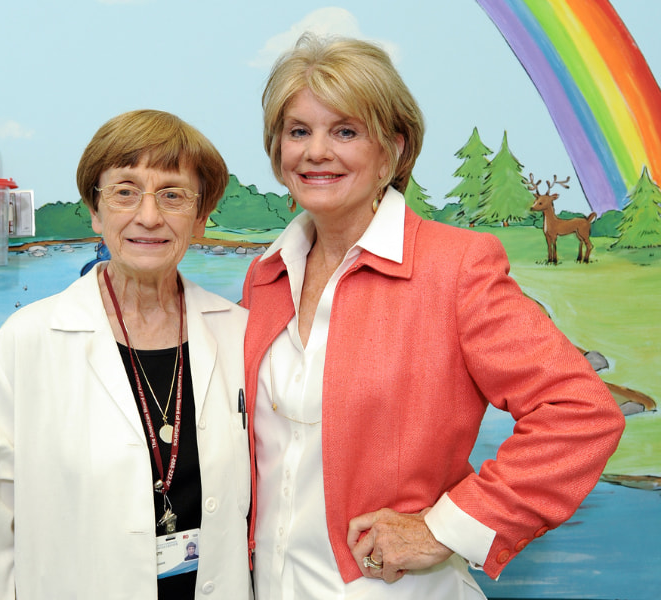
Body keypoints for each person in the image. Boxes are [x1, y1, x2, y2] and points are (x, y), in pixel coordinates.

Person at [241, 34, 625, 599]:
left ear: (393, 151)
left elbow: (582, 412)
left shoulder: (456, 267)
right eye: (299, 131)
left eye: (345, 131)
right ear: (278, 153)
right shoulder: (265, 276)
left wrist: (443, 528)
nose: (316, 151)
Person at [0, 109, 252, 599]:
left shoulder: (239, 335)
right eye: (125, 191)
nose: (149, 215)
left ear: (201, 218)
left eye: (173, 194)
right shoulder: (26, 341)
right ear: (95, 210)